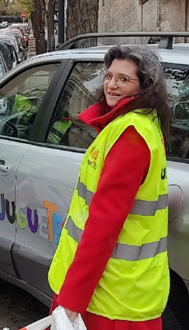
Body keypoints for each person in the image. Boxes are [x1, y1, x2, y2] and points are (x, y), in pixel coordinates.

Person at [47, 45, 171, 330]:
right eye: (109, 76)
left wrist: (72, 300)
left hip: (108, 299)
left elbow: (103, 226)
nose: (111, 85)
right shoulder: (139, 124)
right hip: (123, 292)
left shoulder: (130, 135)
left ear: (146, 87)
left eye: (124, 79)